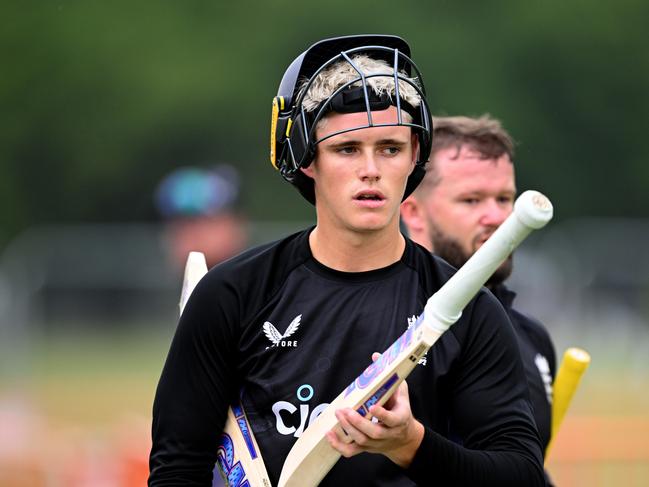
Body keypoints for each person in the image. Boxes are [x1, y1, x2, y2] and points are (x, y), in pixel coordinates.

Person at [149, 35, 545, 486]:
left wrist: (411, 445)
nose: (371, 169)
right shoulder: (232, 296)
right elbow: (176, 470)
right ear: (306, 158)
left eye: (391, 148)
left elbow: (522, 477)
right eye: (347, 149)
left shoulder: (470, 312)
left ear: (415, 156)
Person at [400, 114, 556, 481]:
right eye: (472, 200)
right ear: (414, 212)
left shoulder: (531, 336)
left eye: (504, 198)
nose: (498, 216)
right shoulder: (390, 327)